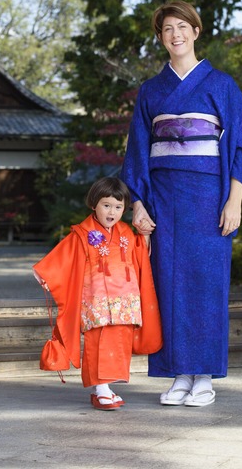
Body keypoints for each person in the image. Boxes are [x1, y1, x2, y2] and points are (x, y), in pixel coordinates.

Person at [121, 0, 242, 407]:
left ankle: (205, 377)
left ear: (196, 31)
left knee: (206, 284)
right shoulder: (152, 90)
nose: (175, 35)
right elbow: (138, 150)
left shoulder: (221, 85)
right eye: (167, 29)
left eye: (182, 27)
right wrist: (138, 204)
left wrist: (234, 200)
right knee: (167, 284)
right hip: (164, 199)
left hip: (208, 198)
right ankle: (178, 374)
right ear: (160, 38)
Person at [32, 176, 162, 410]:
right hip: (97, 302)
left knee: (118, 342)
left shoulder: (125, 232)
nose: (112, 212)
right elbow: (65, 256)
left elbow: (140, 254)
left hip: (124, 301)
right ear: (94, 204)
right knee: (98, 344)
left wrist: (144, 235)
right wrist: (47, 273)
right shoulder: (83, 233)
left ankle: (104, 387)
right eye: (106, 205)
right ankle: (101, 388)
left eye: (118, 207)